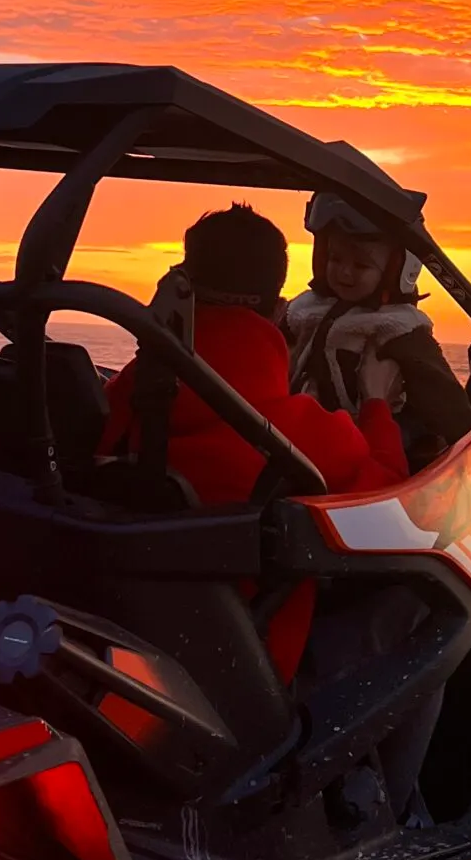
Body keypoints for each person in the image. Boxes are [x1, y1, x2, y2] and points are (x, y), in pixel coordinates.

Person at [98, 203, 406, 679]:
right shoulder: (300, 432)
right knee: (420, 611)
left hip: (116, 639)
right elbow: (390, 501)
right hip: (245, 679)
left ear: (181, 286)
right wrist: (376, 402)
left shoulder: (127, 393)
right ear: (278, 308)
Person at [285, 193, 471, 469]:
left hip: (381, 433)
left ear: (397, 268)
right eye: (335, 258)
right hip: (316, 427)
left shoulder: (397, 326)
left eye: (361, 265)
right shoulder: (304, 307)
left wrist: (470, 443)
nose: (344, 273)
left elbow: (441, 393)